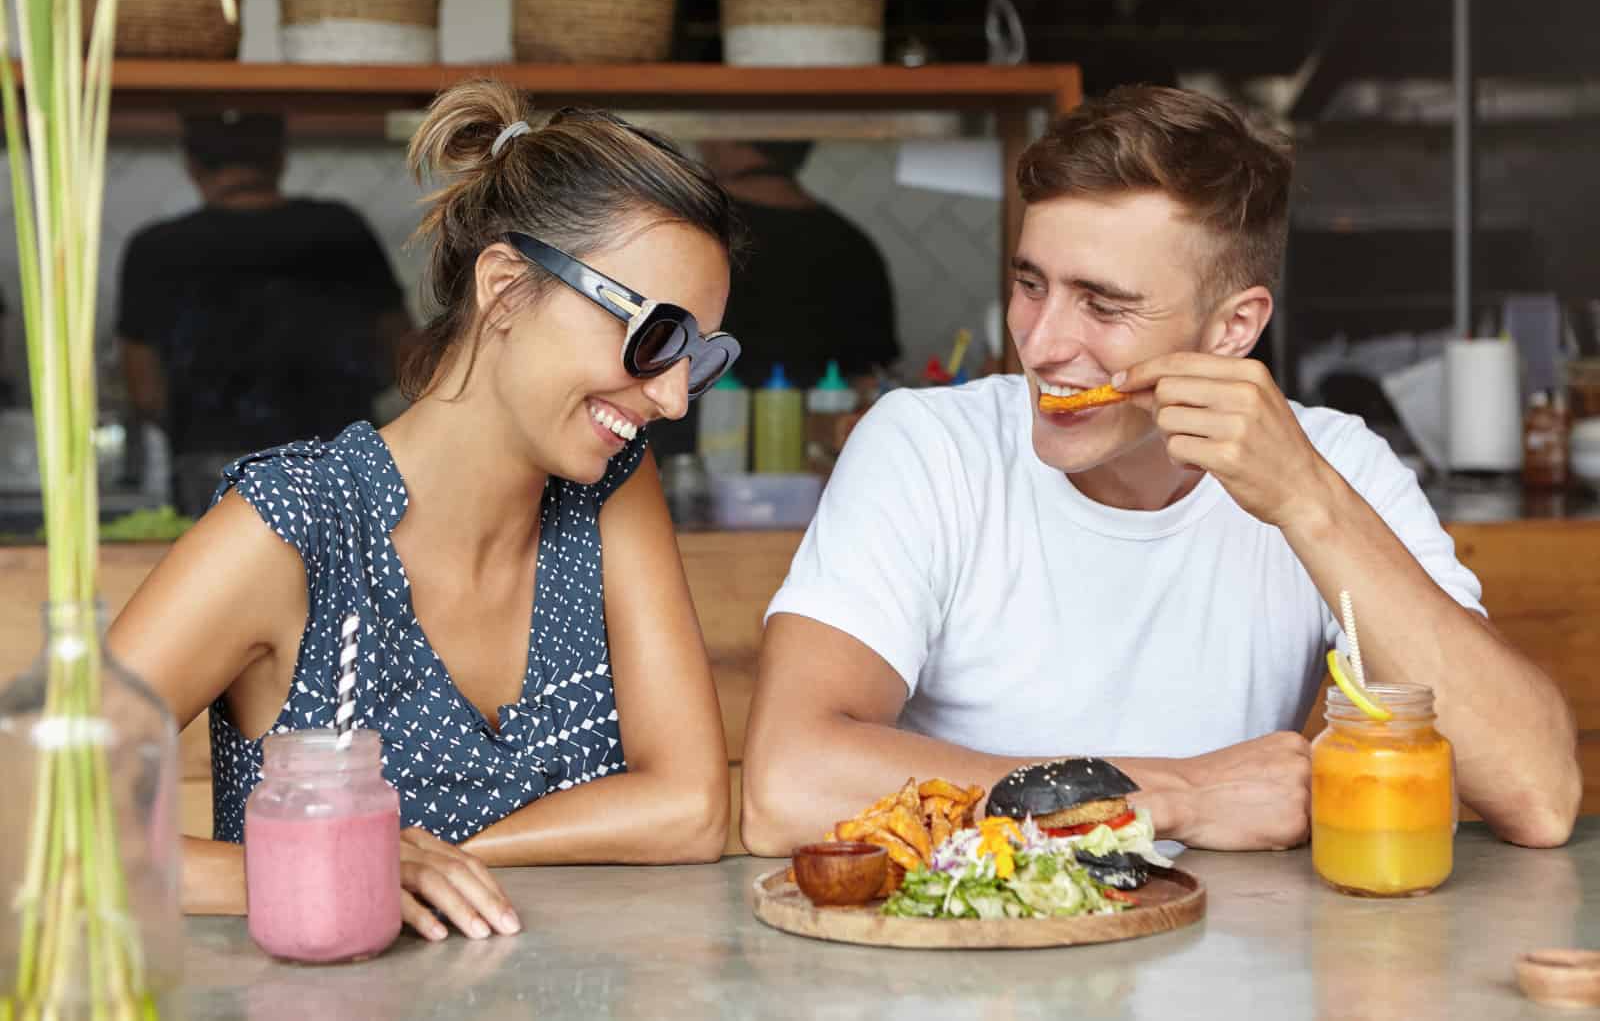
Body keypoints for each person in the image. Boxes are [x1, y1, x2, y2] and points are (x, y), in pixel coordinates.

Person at [741, 86, 1580, 856]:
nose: (1041, 344)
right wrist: (1172, 795)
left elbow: (1537, 795)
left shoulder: (1335, 467)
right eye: (1031, 284)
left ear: (1232, 329)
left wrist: (1308, 503)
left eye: (1103, 305)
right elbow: (788, 784)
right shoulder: (927, 448)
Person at [108, 80, 738, 942]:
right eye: (653, 337)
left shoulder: (613, 483)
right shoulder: (291, 528)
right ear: (507, 288)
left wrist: (444, 857)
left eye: (697, 358)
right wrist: (343, 865)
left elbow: (691, 807)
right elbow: (38, 822)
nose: (671, 398)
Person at [116, 111, 412, 515]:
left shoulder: (155, 248)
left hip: (210, 470)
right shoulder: (340, 229)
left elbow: (144, 389)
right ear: (278, 158)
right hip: (335, 463)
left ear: (192, 165)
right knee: (339, 577)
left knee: (224, 579)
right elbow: (404, 354)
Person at [650, 139, 899, 456]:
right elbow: (870, 382)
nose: (702, 141)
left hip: (679, 457)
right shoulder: (852, 245)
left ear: (735, 141)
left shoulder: (690, 230)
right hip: (806, 464)